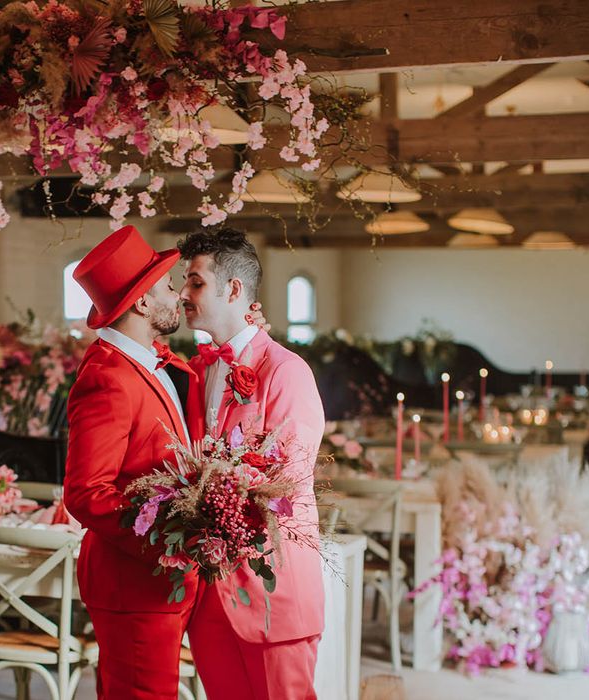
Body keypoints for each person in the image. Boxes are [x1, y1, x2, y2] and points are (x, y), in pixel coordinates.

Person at [178, 228, 326, 699]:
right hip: (212, 593)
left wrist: (213, 485)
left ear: (234, 290)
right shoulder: (199, 371)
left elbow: (288, 476)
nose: (184, 293)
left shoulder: (286, 371)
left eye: (196, 282)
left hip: (273, 588)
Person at [63, 225, 205, 699]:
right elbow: (85, 492)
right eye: (166, 285)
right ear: (143, 302)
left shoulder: (150, 362)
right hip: (134, 582)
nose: (176, 293)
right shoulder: (108, 377)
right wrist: (168, 541)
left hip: (162, 582)